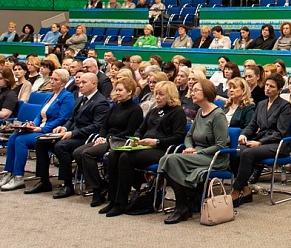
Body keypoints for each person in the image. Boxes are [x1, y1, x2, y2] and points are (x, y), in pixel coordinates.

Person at [101, 81, 186, 217]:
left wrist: (156, 142)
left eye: (161, 94)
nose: (157, 97)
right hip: (144, 146)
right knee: (113, 154)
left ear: (170, 95)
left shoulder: (177, 112)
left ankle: (121, 202)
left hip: (162, 149)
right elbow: (140, 130)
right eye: (156, 94)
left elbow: (178, 137)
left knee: (126, 158)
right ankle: (113, 199)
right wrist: (136, 138)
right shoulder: (153, 111)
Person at [159, 77, 231, 224]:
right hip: (197, 153)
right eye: (192, 90)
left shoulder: (218, 115)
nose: (192, 93)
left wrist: (198, 152)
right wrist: (190, 147)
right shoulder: (199, 112)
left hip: (214, 157)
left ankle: (182, 206)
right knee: (166, 159)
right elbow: (189, 136)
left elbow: (220, 145)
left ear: (206, 93)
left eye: (196, 90)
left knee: (171, 159)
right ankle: (183, 205)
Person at [28, 71, 111, 198]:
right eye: (80, 82)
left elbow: (96, 126)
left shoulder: (101, 102)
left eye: (84, 82)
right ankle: (44, 181)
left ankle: (67, 184)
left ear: (94, 84)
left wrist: (72, 133)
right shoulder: (80, 98)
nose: (80, 85)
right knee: (41, 141)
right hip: (73, 133)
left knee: (61, 146)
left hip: (86, 137)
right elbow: (72, 119)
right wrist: (64, 127)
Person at [0, 74, 76, 191]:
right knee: (13, 137)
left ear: (63, 82)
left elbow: (63, 118)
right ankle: (9, 173)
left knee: (20, 140)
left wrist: (42, 129)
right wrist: (34, 124)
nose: (52, 81)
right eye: (51, 79)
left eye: (55, 80)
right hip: (39, 128)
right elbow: (39, 115)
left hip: (51, 131)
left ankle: (18, 177)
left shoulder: (67, 97)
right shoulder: (51, 95)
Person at [75, 76, 145, 206]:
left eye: (120, 90)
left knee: (87, 153)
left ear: (130, 92)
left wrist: (107, 138)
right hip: (107, 139)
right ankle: (101, 184)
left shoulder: (136, 110)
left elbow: (130, 131)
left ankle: (96, 191)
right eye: (116, 90)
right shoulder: (115, 107)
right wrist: (101, 136)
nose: (117, 93)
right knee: (78, 152)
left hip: (119, 141)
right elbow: (104, 125)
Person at [230, 74, 291, 203]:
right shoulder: (261, 104)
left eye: (272, 86)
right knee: (236, 151)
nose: (267, 88)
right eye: (266, 85)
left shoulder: (285, 105)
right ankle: (246, 189)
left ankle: (236, 191)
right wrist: (244, 134)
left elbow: (280, 132)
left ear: (279, 89)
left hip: (277, 144)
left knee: (247, 153)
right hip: (261, 140)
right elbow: (252, 125)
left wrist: (259, 142)